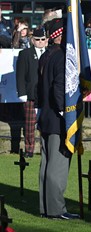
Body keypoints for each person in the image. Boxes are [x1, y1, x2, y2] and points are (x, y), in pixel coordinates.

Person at [36, 18, 79, 220]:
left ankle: (46, 207)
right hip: (57, 117)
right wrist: (65, 112)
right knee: (57, 165)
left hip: (45, 115)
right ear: (60, 34)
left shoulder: (46, 55)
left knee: (46, 164)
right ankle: (55, 209)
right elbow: (59, 88)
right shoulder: (61, 56)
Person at [16, 27, 47, 158]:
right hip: (30, 95)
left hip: (46, 96)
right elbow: (20, 75)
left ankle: (45, 149)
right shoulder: (25, 54)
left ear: (46, 40)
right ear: (32, 40)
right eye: (37, 39)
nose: (40, 42)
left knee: (45, 124)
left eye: (42, 39)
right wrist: (22, 93)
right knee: (29, 126)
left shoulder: (50, 53)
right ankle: (29, 150)